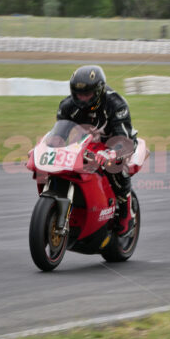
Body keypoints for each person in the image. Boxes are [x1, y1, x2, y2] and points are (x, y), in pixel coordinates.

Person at [57, 65, 138, 236]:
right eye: (79, 94)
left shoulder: (116, 104)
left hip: (117, 143)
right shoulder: (67, 106)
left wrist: (111, 153)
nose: (83, 99)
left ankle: (126, 210)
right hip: (86, 144)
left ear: (99, 90)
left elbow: (125, 140)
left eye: (88, 94)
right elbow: (59, 135)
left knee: (115, 165)